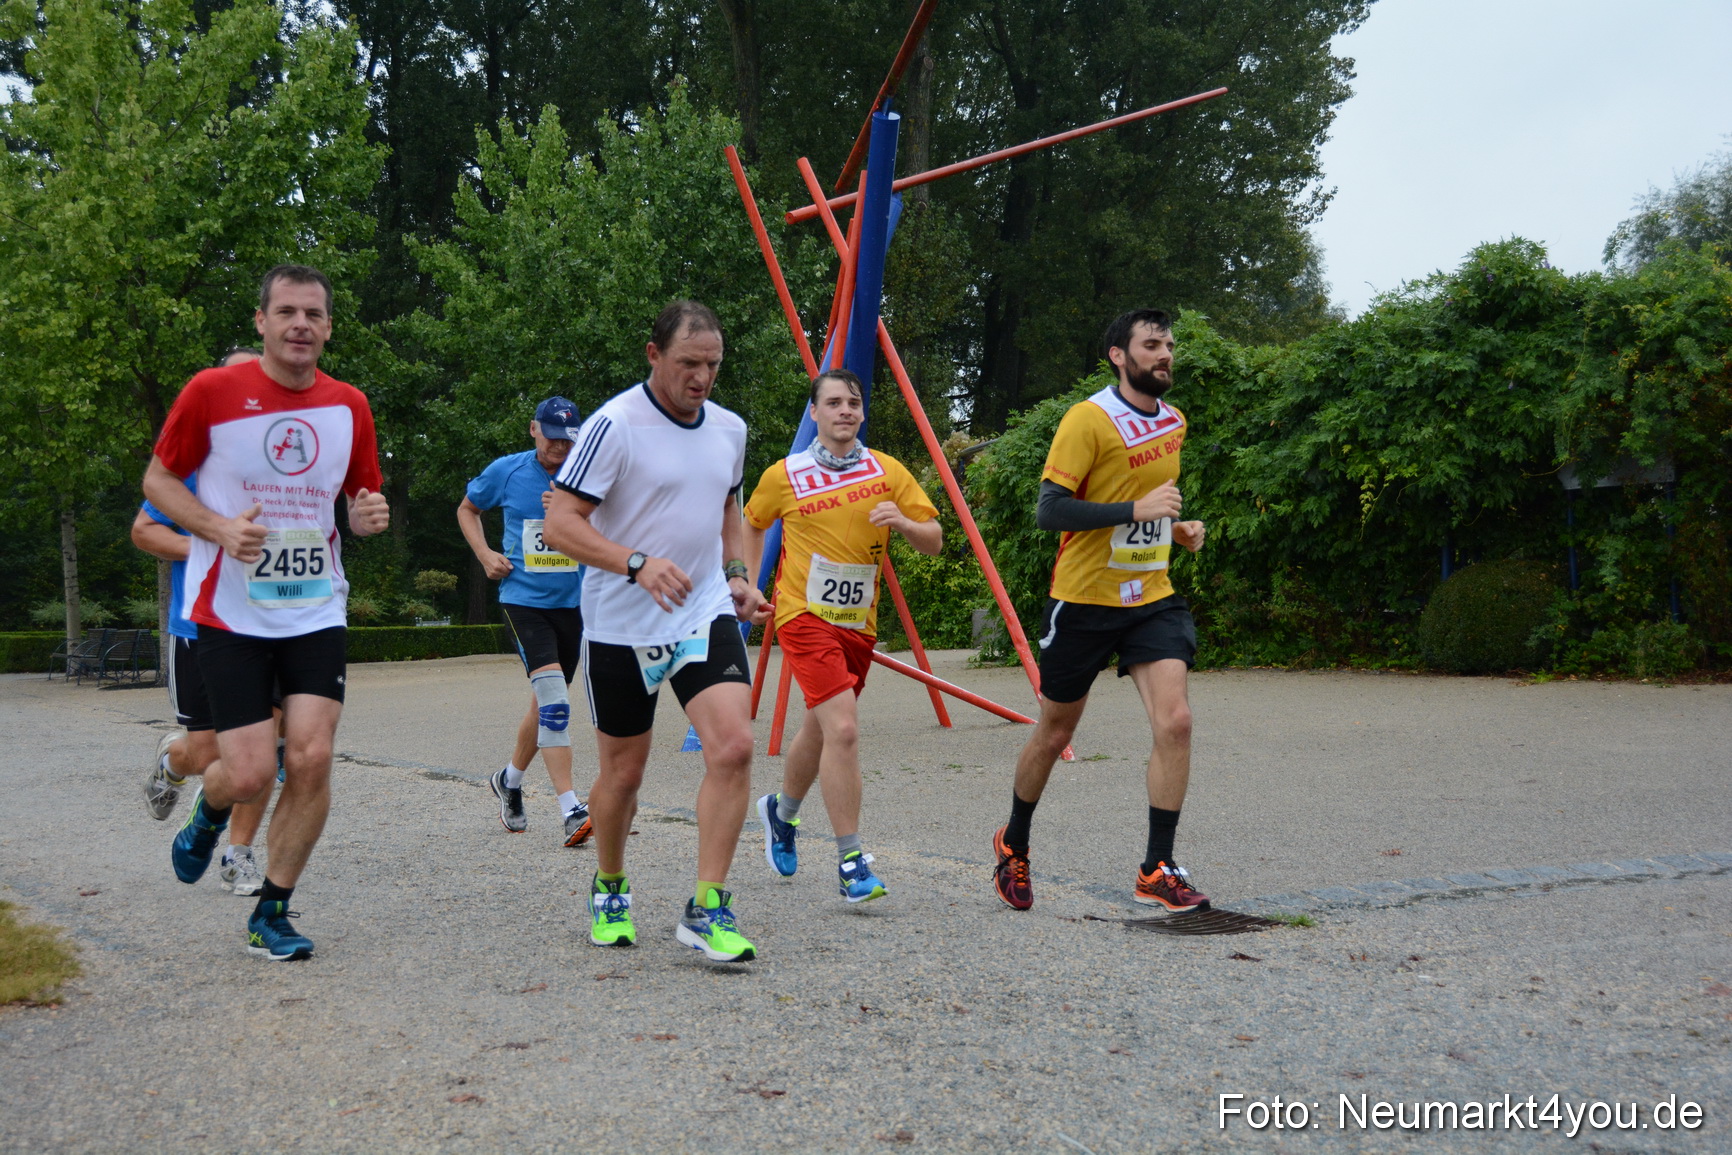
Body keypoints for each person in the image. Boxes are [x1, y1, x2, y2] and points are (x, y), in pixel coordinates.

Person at [142, 264, 389, 961]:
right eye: (286, 312)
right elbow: (158, 480)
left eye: (313, 313)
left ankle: (271, 911)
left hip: (315, 609)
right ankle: (209, 810)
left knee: (311, 756)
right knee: (248, 773)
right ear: (262, 321)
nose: (300, 325)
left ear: (329, 326)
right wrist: (217, 528)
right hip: (229, 613)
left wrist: (367, 516)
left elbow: (360, 499)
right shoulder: (211, 391)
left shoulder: (349, 405)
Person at [542, 300, 770, 962]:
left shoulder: (729, 428)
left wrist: (736, 574)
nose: (702, 377)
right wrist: (636, 564)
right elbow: (560, 523)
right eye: (688, 363)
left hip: (701, 610)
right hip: (621, 622)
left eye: (713, 365)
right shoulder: (614, 426)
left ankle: (708, 907)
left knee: (734, 747)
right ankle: (610, 884)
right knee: (623, 774)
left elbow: (727, 505)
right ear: (654, 355)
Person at [991, 308, 1210, 913]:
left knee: (1176, 722)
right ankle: (1014, 841)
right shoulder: (1088, 419)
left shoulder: (1173, 422)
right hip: (1084, 601)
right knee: (1056, 730)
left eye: (1169, 345)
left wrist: (1175, 529)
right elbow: (1050, 510)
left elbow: (1148, 508)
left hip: (1151, 598)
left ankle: (1157, 869)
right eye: (1152, 344)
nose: (1164, 354)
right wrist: (1137, 512)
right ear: (1119, 354)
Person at [742, 368, 940, 903]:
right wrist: (749, 584)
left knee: (822, 727)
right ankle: (852, 862)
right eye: (833, 403)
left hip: (858, 625)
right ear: (814, 413)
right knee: (845, 729)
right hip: (802, 616)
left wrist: (904, 522)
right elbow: (753, 522)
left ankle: (781, 814)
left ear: (862, 411)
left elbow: (934, 540)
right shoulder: (786, 474)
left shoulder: (888, 471)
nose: (845, 410)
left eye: (853, 402)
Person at [135, 346, 276, 897]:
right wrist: (212, 546)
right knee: (209, 756)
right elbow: (145, 531)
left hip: (270, 629)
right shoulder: (195, 463)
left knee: (265, 751)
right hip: (199, 629)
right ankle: (174, 761)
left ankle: (237, 854)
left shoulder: (288, 461)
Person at [457, 397, 593, 845]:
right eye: (552, 438)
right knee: (555, 704)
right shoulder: (508, 471)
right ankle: (571, 808)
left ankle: (508, 780)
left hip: (573, 605)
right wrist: (484, 554)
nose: (560, 448)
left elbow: (615, 529)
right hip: (524, 601)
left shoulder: (586, 474)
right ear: (534, 429)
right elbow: (467, 509)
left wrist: (575, 512)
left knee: (544, 705)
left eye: (568, 440)